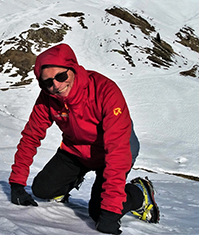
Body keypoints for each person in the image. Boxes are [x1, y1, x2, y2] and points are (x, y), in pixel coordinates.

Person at [9, 43, 159, 234]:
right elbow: (31, 136)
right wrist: (17, 183)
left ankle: (139, 193)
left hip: (112, 152)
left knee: (100, 213)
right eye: (47, 82)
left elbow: (117, 150)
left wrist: (111, 212)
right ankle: (69, 181)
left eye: (61, 76)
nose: (56, 85)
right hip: (75, 150)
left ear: (73, 69)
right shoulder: (48, 97)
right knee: (42, 190)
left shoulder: (105, 91)